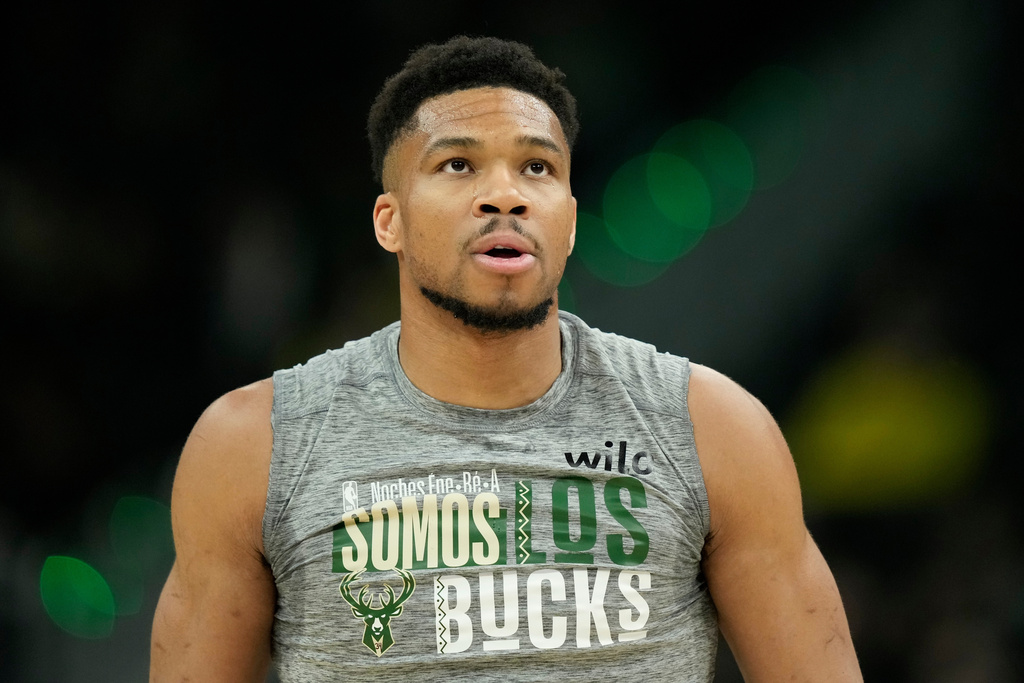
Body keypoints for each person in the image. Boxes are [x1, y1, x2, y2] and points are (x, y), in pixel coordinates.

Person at [150, 36, 862, 682]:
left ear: (570, 222)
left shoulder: (712, 429)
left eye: (537, 167)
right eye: (458, 165)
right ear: (390, 222)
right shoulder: (254, 445)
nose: (506, 195)